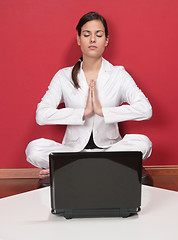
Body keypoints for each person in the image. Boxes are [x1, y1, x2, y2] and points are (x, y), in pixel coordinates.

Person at [26, 11, 152, 179]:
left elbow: (146, 110)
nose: (92, 39)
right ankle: (100, 168)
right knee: (34, 149)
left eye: (98, 35)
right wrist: (82, 113)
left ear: (106, 40)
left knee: (143, 143)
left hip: (110, 150)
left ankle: (73, 169)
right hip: (73, 152)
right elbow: (41, 115)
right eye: (86, 34)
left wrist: (103, 111)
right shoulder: (63, 76)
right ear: (79, 39)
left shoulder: (118, 75)